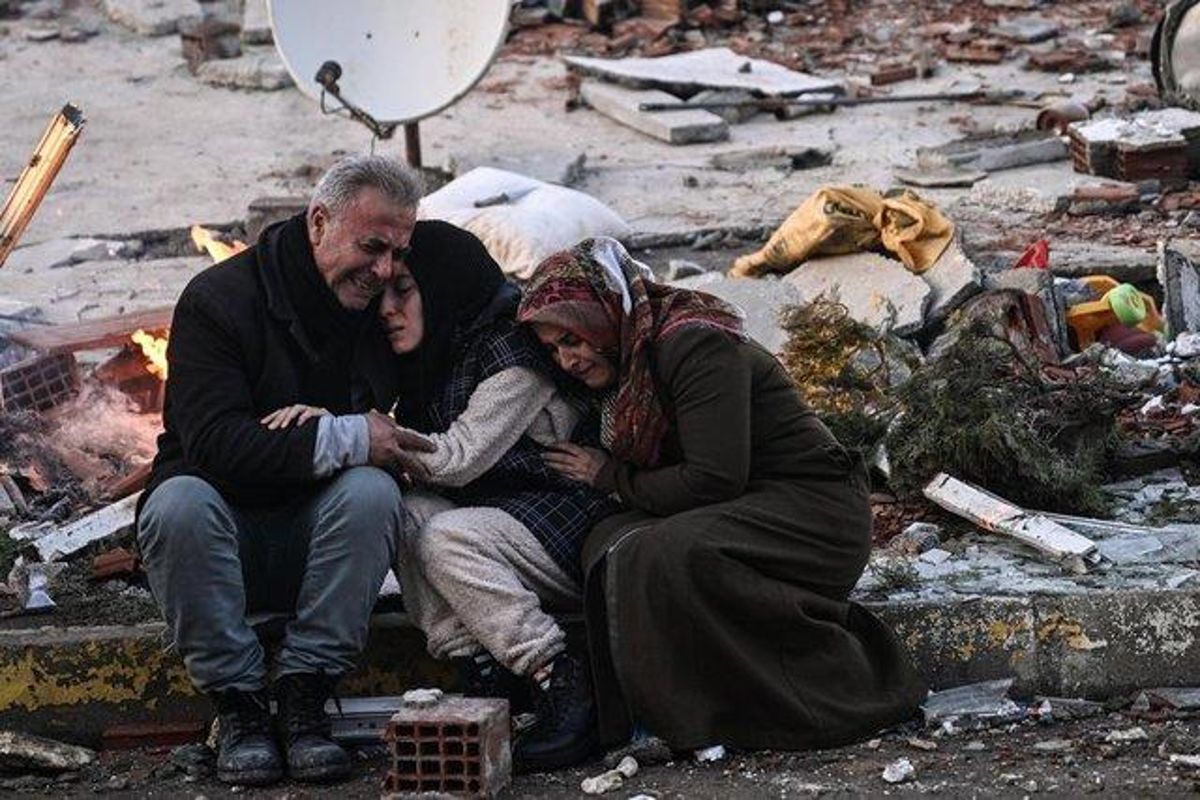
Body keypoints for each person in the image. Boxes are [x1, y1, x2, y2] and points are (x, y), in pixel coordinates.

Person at [515, 236, 927, 754]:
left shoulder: (692, 344)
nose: (567, 359)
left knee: (657, 552)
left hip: (815, 509)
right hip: (750, 502)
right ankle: (642, 714)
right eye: (554, 349)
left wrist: (610, 478)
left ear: (602, 314)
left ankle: (802, 699)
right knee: (608, 541)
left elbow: (714, 479)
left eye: (571, 339)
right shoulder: (633, 361)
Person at [265, 221, 617, 772]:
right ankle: (479, 666)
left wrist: (345, 431)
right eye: (379, 294)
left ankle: (561, 678)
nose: (387, 309)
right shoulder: (439, 356)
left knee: (445, 535)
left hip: (562, 524)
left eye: (403, 290)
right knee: (404, 511)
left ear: (446, 285)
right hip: (502, 523)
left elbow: (457, 459)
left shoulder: (513, 353)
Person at [136, 155, 436, 787]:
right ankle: (239, 703)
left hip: (317, 541)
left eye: (396, 254)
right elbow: (217, 445)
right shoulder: (219, 300)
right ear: (320, 221)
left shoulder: (374, 308)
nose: (383, 270)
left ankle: (305, 690)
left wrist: (325, 428)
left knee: (371, 492)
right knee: (178, 504)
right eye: (372, 247)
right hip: (223, 538)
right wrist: (345, 433)